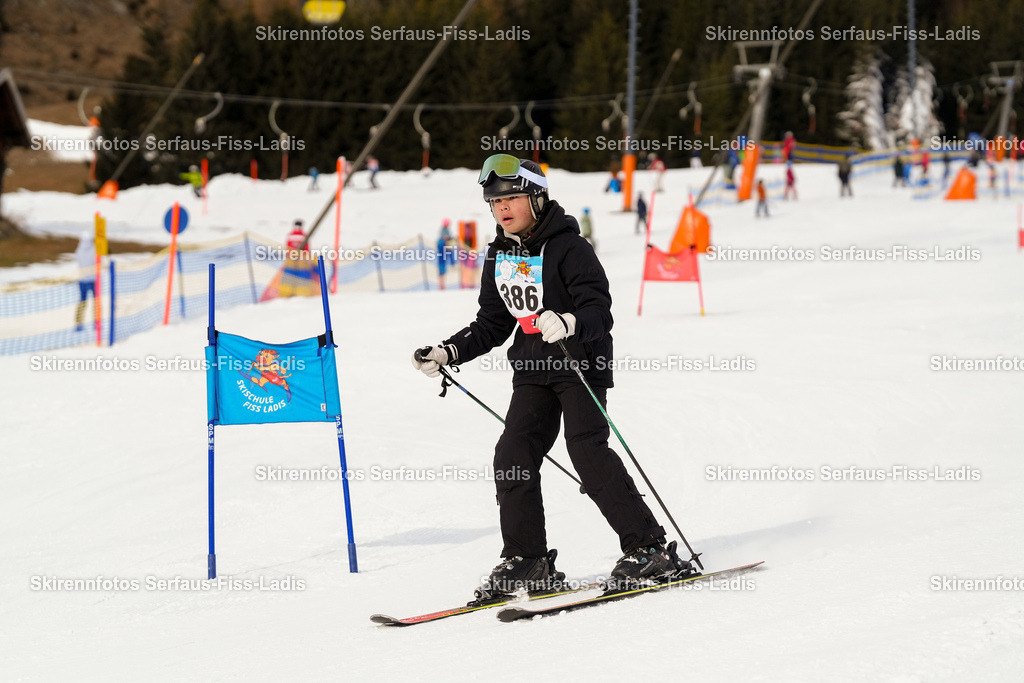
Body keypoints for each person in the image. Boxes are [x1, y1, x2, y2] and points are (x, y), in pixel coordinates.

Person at [412, 155, 688, 597]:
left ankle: (648, 548)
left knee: (587, 451)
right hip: (533, 370)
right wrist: (450, 351)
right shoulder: (500, 253)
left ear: (536, 198)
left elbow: (600, 311)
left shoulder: (570, 248)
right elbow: (492, 323)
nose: (502, 207)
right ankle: (527, 560)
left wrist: (570, 321)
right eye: (494, 200)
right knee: (513, 453)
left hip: (580, 363)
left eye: (512, 197)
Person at [74, 232, 96, 332]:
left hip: (82, 280)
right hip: (93, 280)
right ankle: (97, 322)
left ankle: (79, 323)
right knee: (96, 303)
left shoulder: (79, 250)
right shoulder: (94, 250)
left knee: (82, 302)